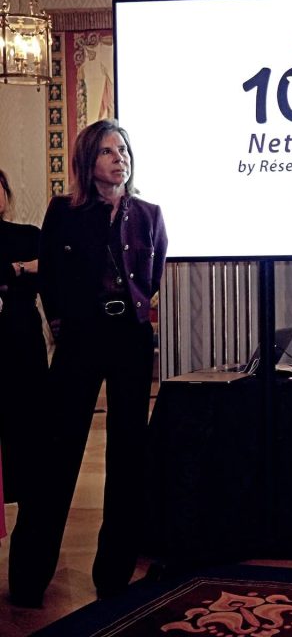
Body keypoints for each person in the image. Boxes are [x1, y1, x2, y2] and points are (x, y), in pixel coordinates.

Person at [8, 119, 168, 607]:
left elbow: (152, 276)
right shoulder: (64, 211)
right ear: (87, 160)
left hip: (131, 338)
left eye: (124, 150)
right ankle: (29, 578)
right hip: (81, 337)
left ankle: (114, 574)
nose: (120, 158)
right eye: (108, 151)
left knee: (128, 455)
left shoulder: (149, 214)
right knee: (56, 453)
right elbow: (51, 277)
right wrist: (64, 324)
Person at [0, 169, 48, 507]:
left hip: (22, 330)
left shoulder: (29, 234)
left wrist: (12, 272)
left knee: (29, 410)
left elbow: (50, 269)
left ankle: (30, 487)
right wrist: (19, 268)